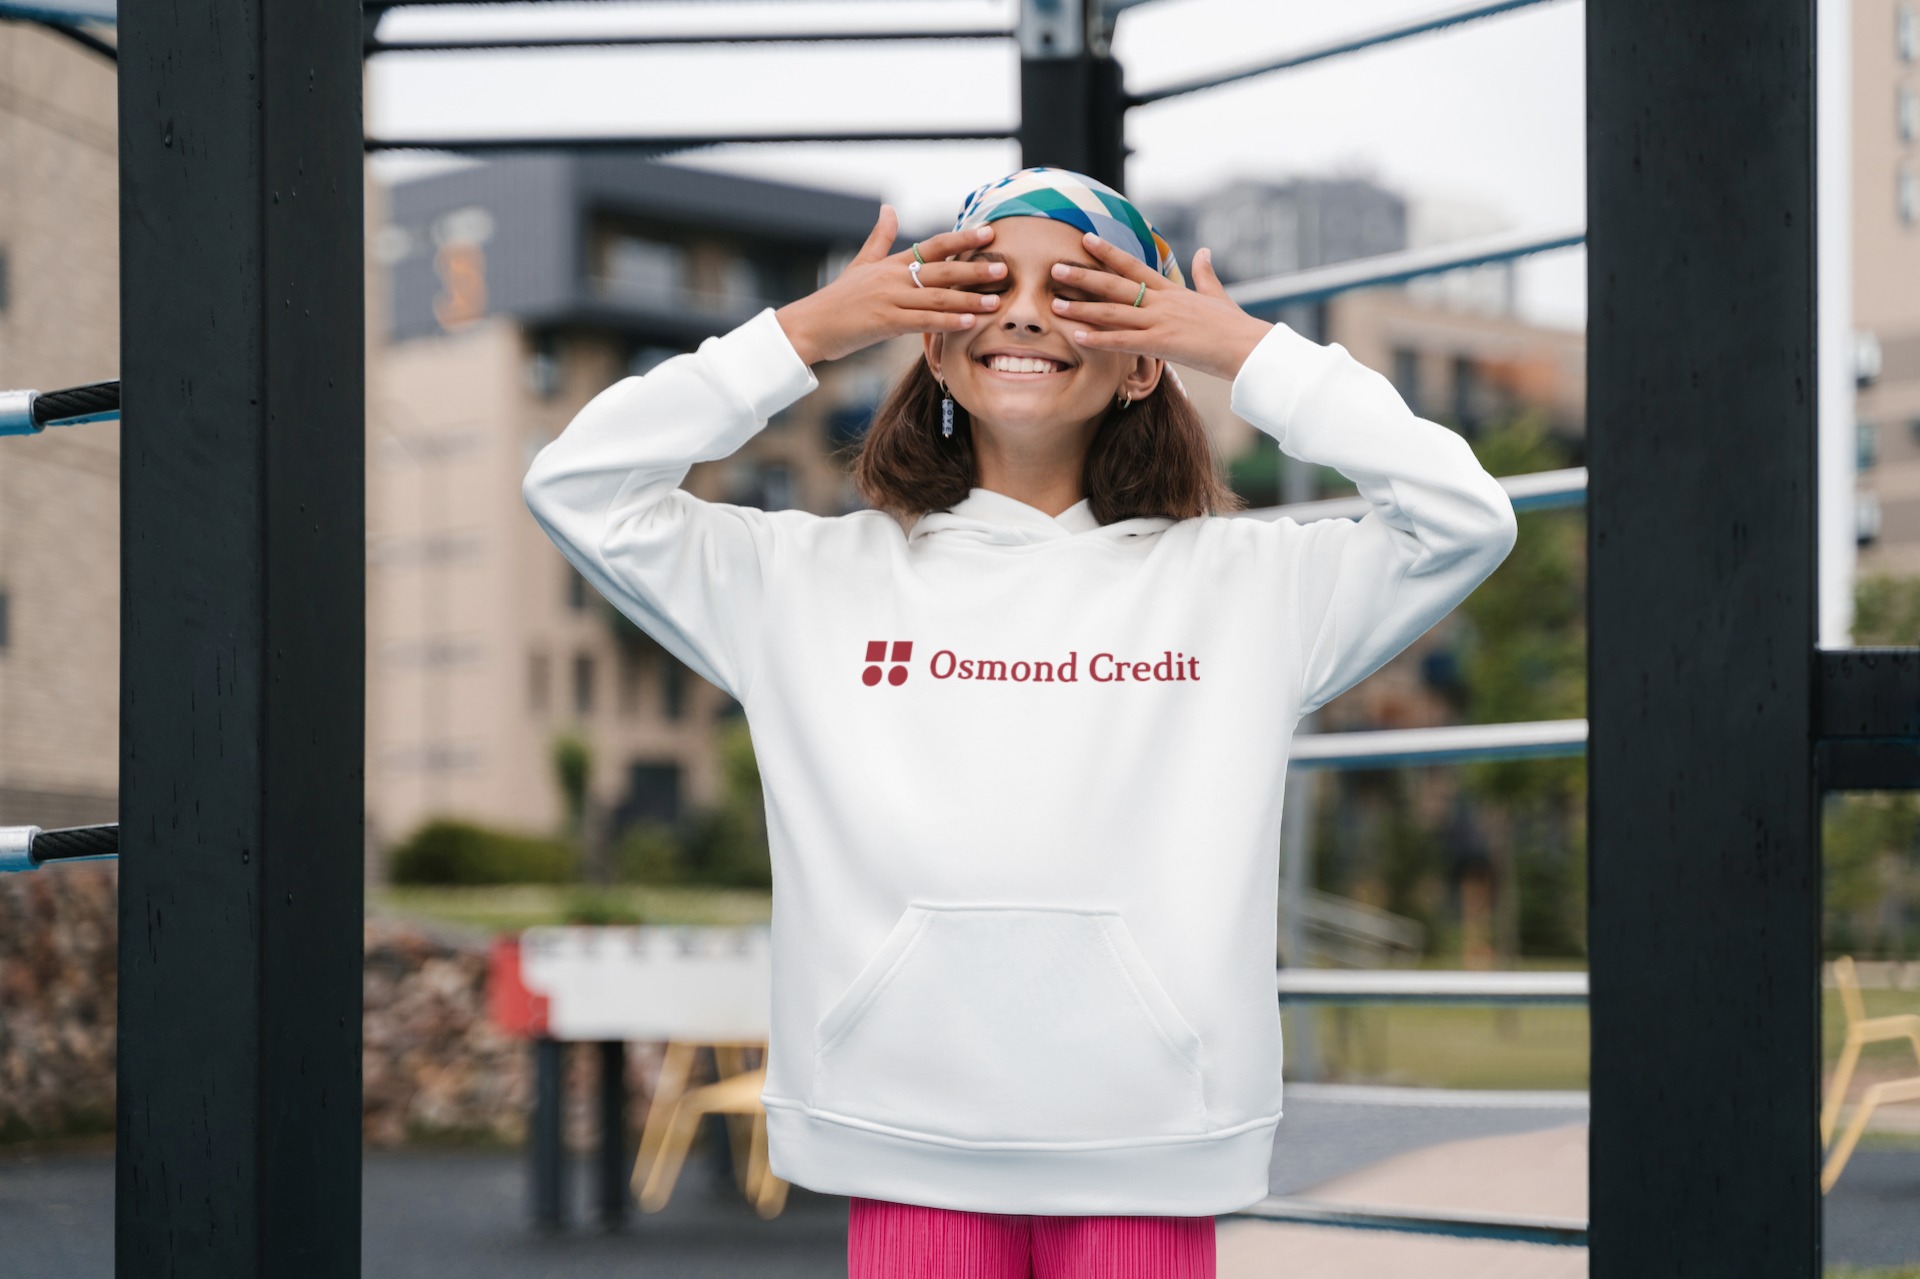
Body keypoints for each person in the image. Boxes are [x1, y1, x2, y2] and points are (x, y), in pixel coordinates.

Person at [521, 166, 1518, 1278]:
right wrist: (809, 331)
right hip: (908, 1140)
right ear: (937, 343)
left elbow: (1463, 517)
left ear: (1147, 356)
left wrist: (1241, 351)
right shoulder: (801, 579)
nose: (1030, 312)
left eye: (1086, 288)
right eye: (987, 283)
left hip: (1149, 1144)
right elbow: (578, 486)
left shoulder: (1249, 586)